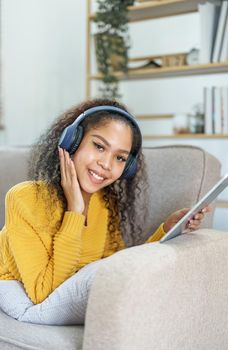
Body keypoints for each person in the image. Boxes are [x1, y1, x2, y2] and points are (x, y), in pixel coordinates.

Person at [0, 98, 210, 325]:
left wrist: (167, 230)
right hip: (15, 285)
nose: (107, 164)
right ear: (72, 142)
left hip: (66, 289)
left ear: (127, 167)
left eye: (120, 158)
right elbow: (44, 293)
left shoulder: (104, 204)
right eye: (99, 146)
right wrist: (75, 212)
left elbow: (117, 266)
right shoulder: (24, 197)